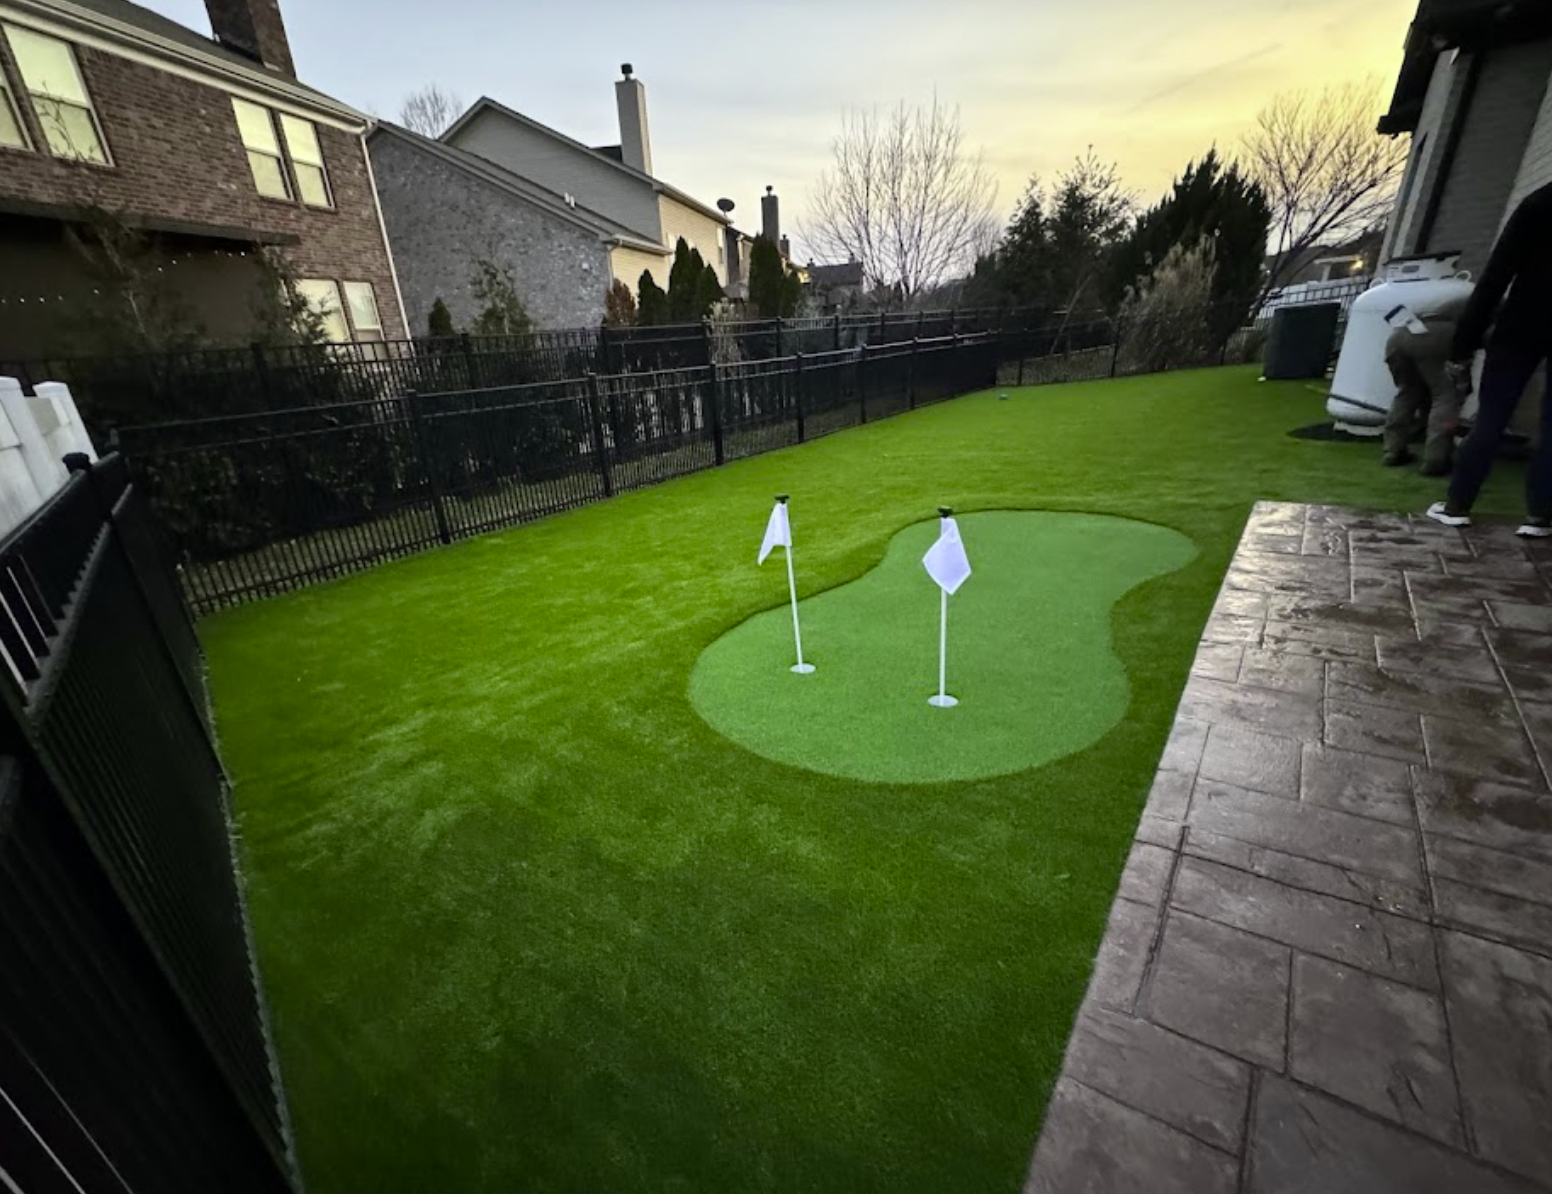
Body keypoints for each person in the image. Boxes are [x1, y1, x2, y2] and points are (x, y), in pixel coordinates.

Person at [1426, 181, 1552, 536]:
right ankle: (1541, 515)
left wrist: (1462, 346)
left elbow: (1495, 278)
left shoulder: (1538, 204)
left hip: (1521, 325)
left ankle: (1457, 505)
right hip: (1524, 328)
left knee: (1491, 417)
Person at [1381, 289, 1469, 474]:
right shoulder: (1497, 304)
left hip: (1399, 335)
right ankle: (1436, 459)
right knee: (1445, 394)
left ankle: (1393, 450)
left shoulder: (1457, 297)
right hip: (1434, 335)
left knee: (1408, 392)